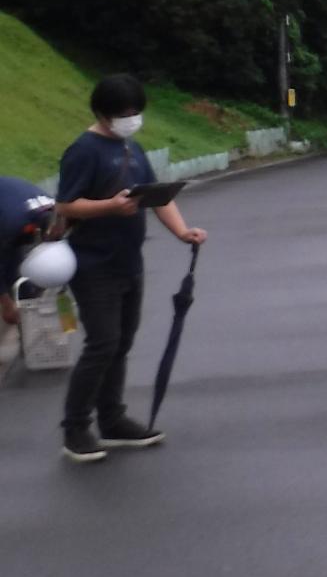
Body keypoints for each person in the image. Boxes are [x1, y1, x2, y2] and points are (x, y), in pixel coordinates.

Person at [53, 75, 207, 464]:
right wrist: (109, 206)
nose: (132, 119)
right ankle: (75, 428)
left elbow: (158, 197)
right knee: (102, 344)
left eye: (136, 111)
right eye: (124, 113)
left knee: (120, 344)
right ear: (102, 113)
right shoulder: (84, 150)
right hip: (93, 264)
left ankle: (112, 420)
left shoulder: (131, 148)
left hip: (128, 262)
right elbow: (66, 204)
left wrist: (182, 232)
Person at [2, 176, 63, 331]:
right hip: (10, 218)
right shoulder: (13, 224)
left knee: (20, 281)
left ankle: (27, 321)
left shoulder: (57, 214)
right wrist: (7, 305)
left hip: (13, 210)